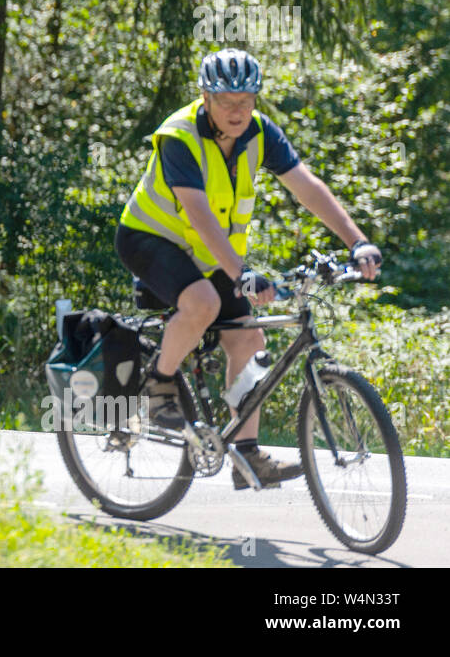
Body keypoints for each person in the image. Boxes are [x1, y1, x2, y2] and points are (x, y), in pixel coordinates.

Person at [116, 48, 382, 489]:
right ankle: (158, 385)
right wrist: (241, 272)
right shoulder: (179, 136)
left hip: (209, 253)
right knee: (200, 302)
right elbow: (198, 214)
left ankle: (246, 453)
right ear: (205, 97)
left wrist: (358, 241)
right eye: (226, 101)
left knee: (249, 337)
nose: (238, 111)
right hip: (149, 238)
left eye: (246, 99)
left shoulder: (260, 133)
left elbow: (308, 189)